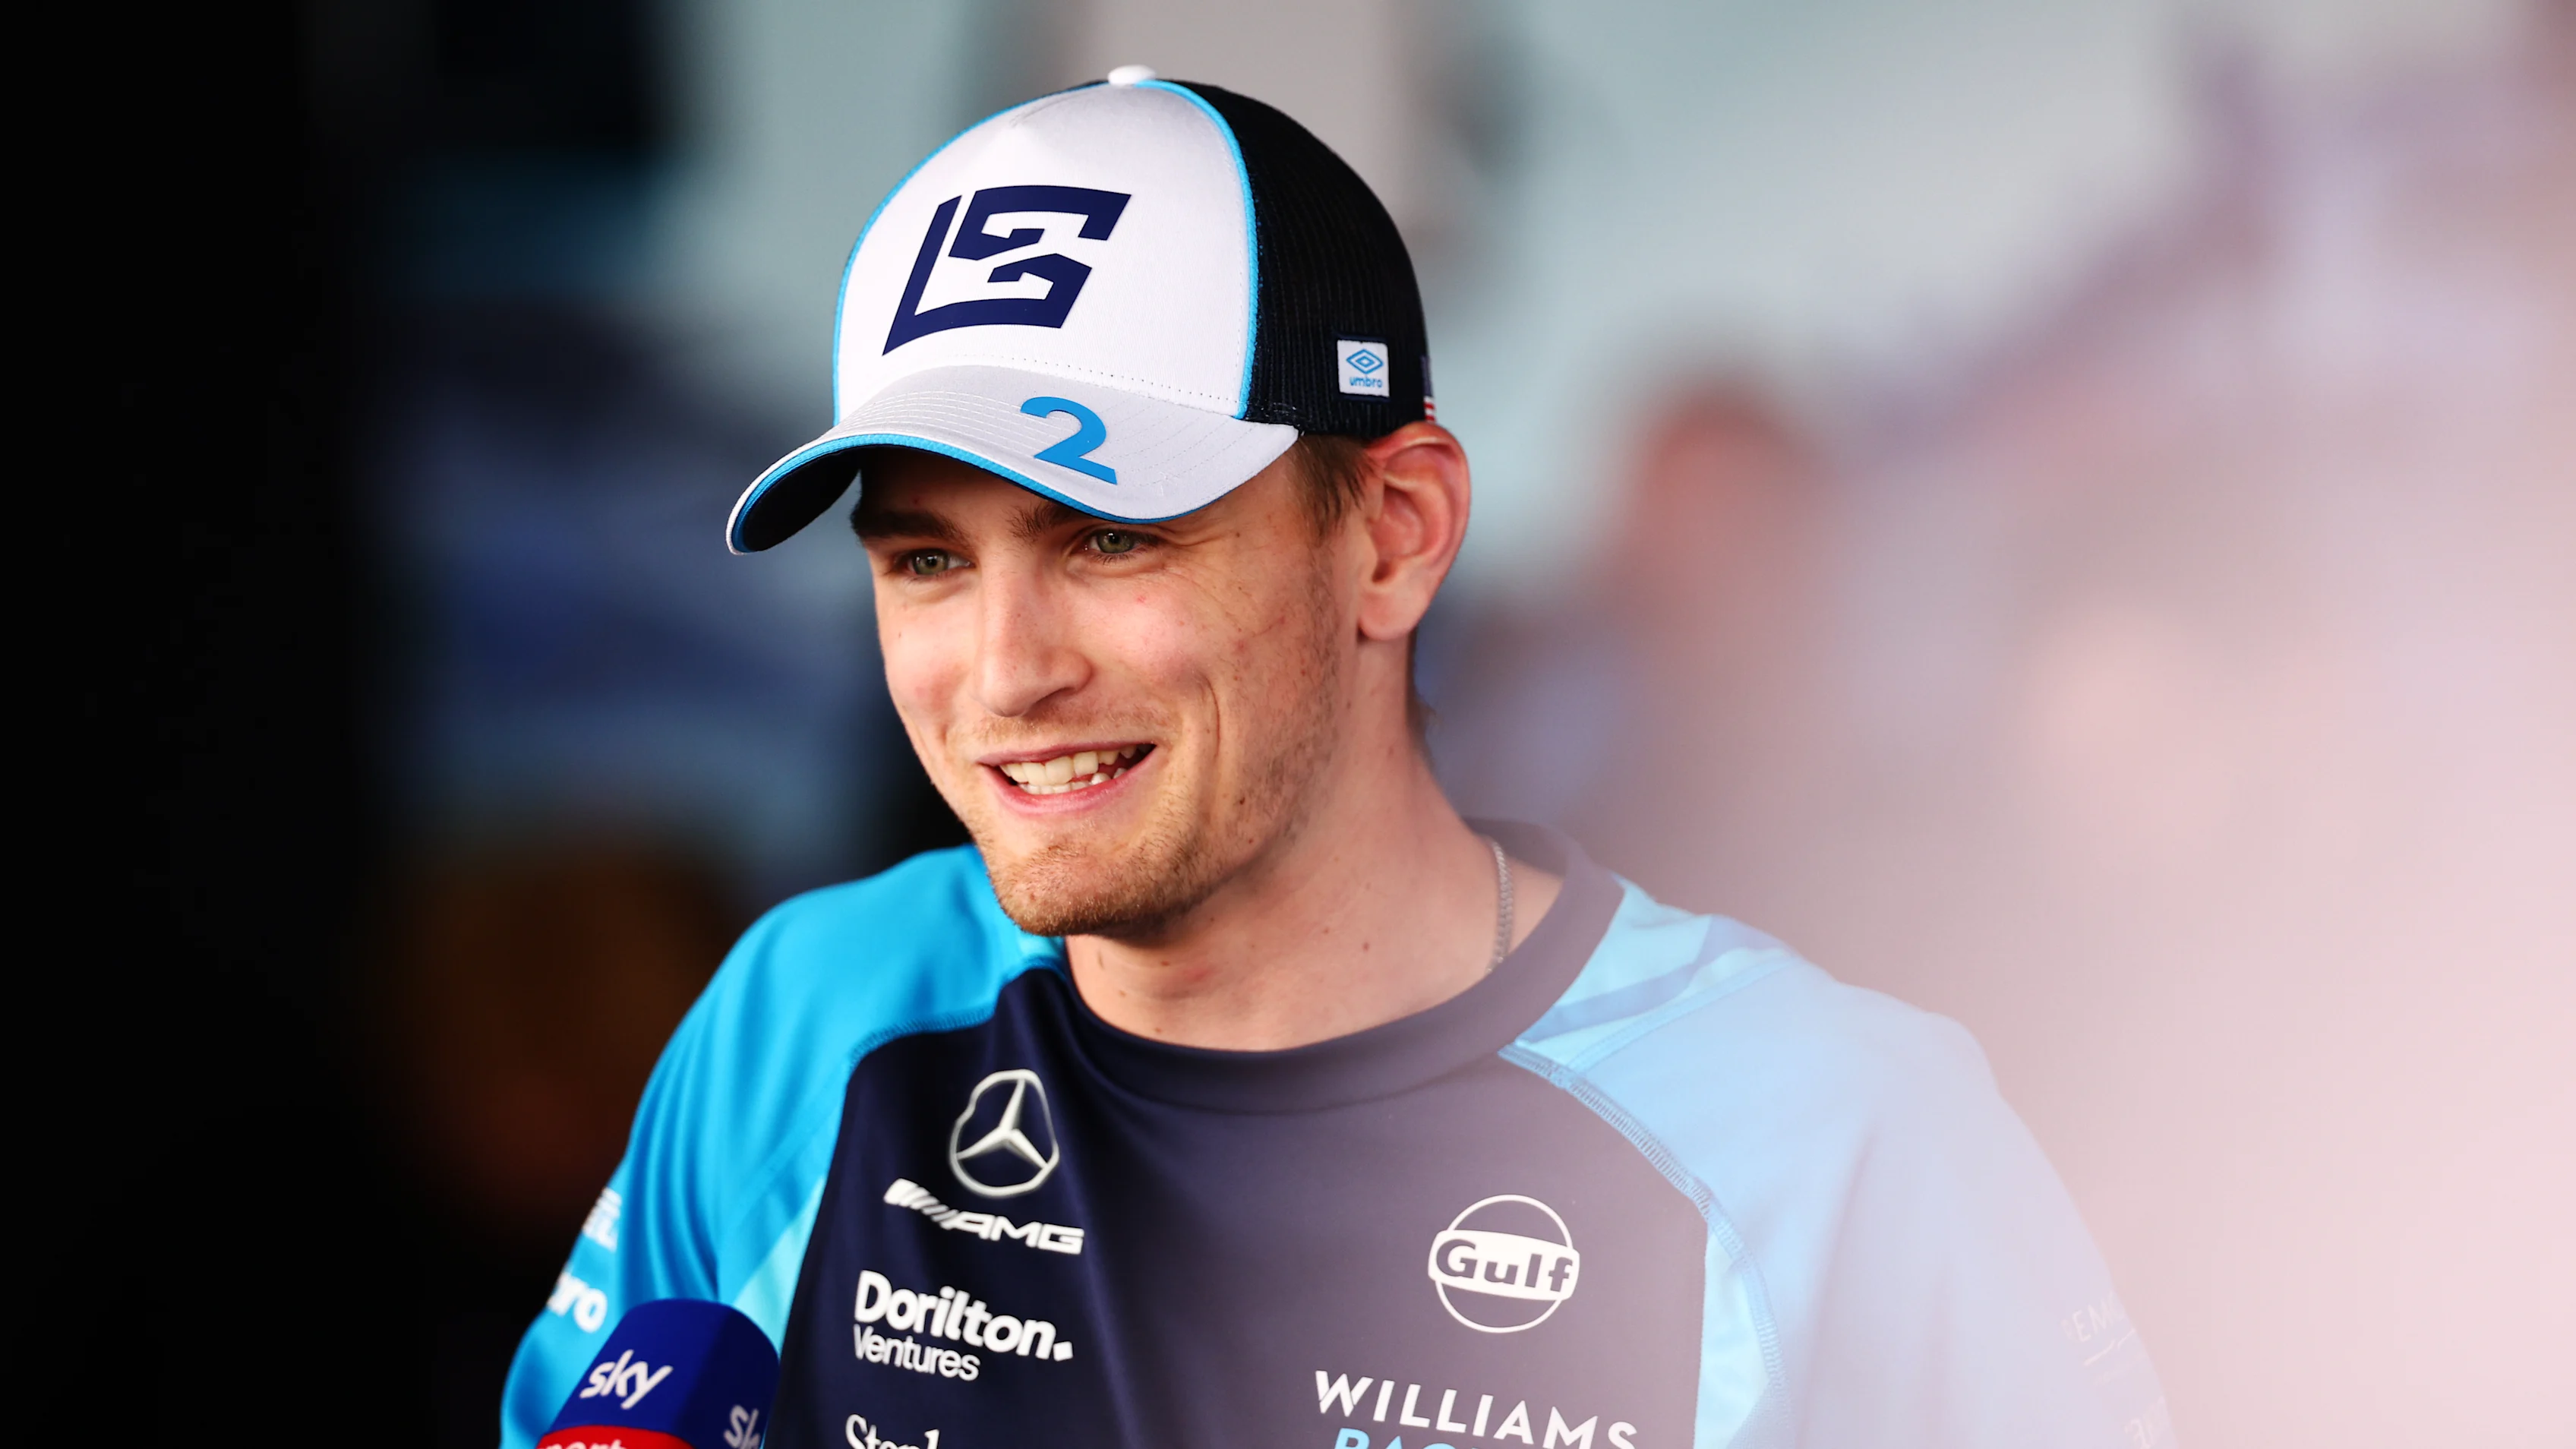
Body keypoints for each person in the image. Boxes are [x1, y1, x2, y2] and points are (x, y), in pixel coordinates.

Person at [500, 71, 2170, 1449]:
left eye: (1106, 536)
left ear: (1395, 534)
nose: (1005, 672)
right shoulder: (812, 1025)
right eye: (927, 559)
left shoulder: (1832, 1143)